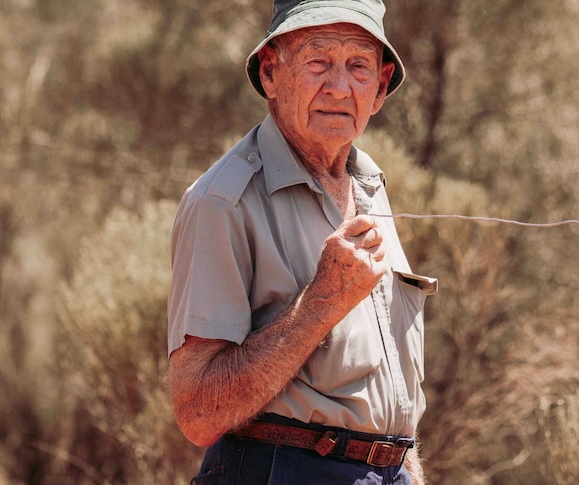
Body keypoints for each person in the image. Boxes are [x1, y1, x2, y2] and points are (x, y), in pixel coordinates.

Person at [167, 1, 437, 483]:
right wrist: (319, 305)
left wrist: (405, 469)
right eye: (318, 61)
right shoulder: (221, 201)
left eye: (358, 65)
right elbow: (198, 412)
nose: (339, 86)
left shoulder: (370, 185)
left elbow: (386, 394)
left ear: (380, 86)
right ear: (271, 71)